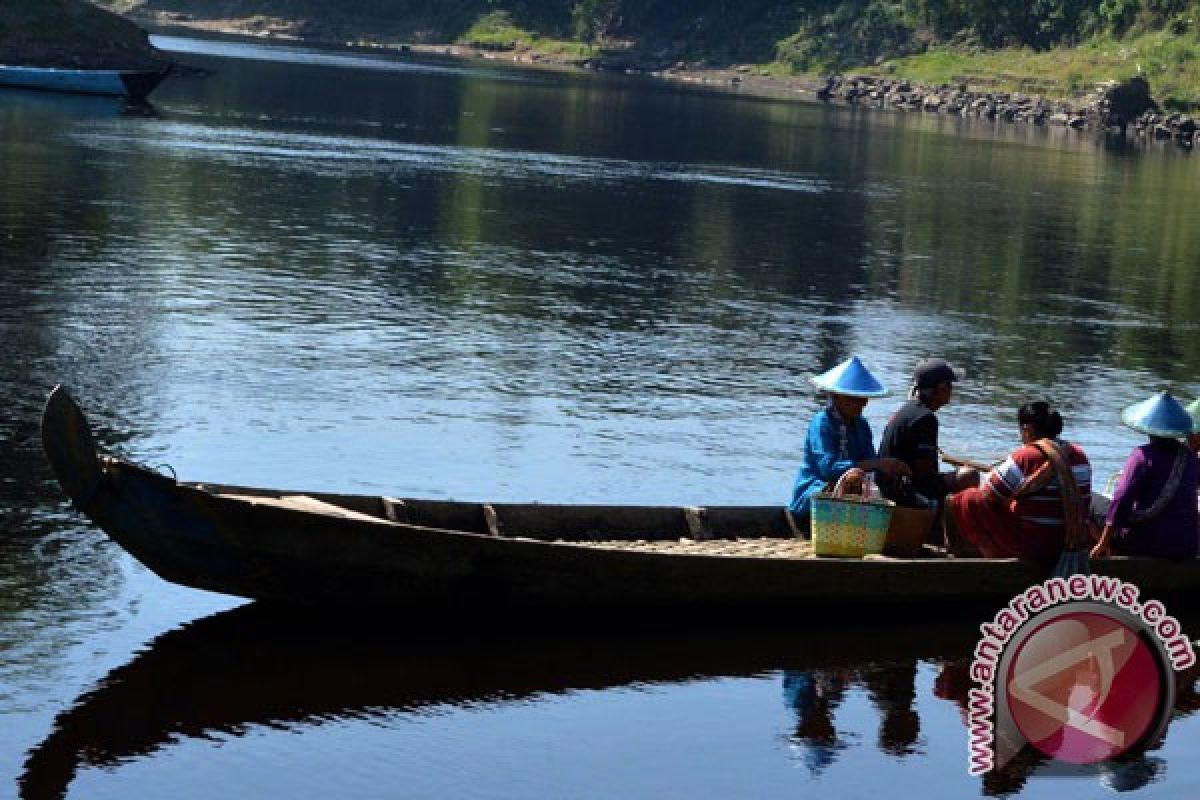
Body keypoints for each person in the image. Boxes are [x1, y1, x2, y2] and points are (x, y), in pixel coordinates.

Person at [947, 401, 1092, 571]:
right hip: (1069, 540)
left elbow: (988, 495)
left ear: (1027, 429)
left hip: (1033, 546)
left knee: (962, 499)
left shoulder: (1027, 456)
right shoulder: (1079, 455)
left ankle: (957, 556)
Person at [788, 356, 910, 520]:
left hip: (854, 491)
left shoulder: (861, 425)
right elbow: (828, 468)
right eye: (854, 399)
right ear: (837, 396)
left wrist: (888, 468)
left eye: (863, 399)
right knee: (845, 484)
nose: (860, 404)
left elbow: (870, 461)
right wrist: (876, 464)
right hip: (815, 491)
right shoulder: (822, 423)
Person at [1091, 391, 1199, 560]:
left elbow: (1121, 500)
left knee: (1088, 500)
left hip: (1147, 543)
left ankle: (1106, 551)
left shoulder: (1142, 456)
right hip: (1187, 545)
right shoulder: (1191, 458)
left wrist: (1103, 541)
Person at [877, 357, 978, 507]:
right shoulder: (925, 418)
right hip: (904, 490)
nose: (952, 390)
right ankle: (949, 525)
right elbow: (923, 474)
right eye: (950, 385)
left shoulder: (908, 410)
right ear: (941, 387)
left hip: (889, 485)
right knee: (969, 476)